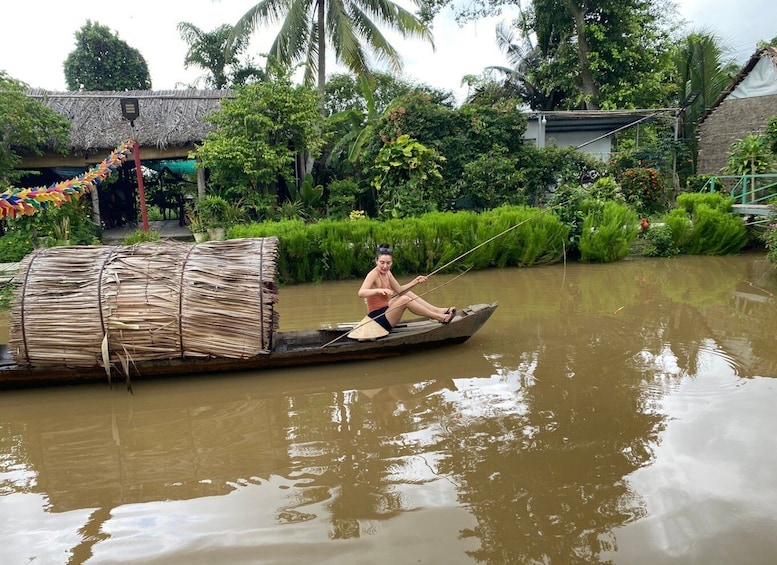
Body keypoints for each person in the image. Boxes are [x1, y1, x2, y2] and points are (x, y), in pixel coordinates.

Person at [358, 243, 455, 331]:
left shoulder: (388, 273)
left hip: (386, 310)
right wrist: (378, 290)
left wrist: (415, 281)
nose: (385, 266)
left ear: (392, 262)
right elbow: (361, 293)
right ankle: (439, 317)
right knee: (404, 299)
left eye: (388, 263)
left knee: (405, 294)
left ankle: (437, 310)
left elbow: (399, 290)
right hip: (377, 320)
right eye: (382, 262)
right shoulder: (373, 274)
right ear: (376, 261)